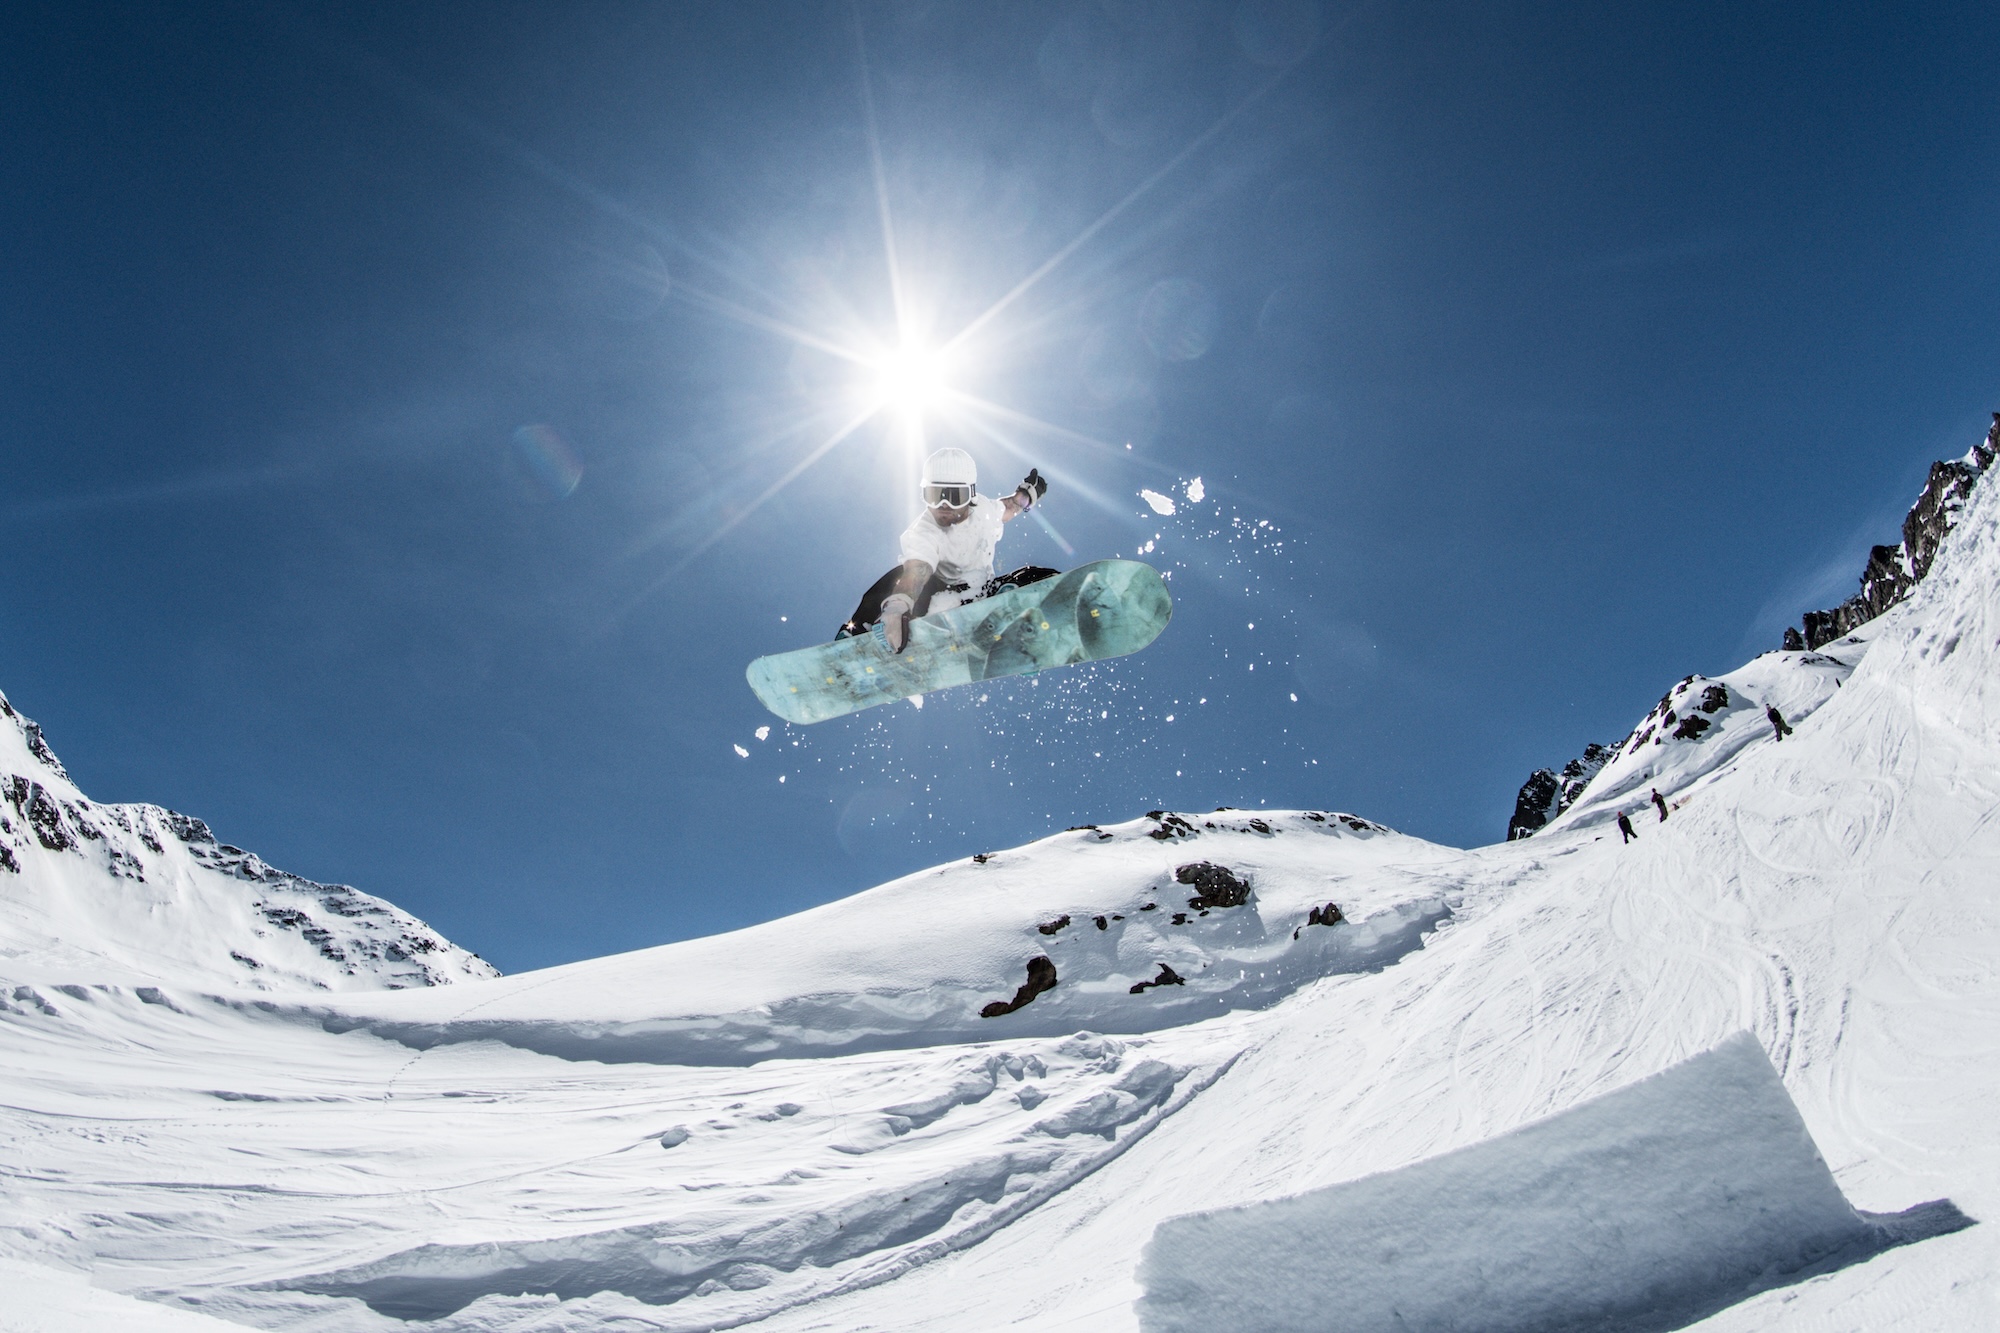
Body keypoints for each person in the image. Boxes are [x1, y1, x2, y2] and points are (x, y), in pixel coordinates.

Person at [840, 448, 1056, 652]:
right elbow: (917, 569)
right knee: (895, 577)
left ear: (971, 495)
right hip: (938, 599)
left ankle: (1020, 617)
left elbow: (1010, 507)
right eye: (934, 495)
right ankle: (858, 633)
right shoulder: (924, 530)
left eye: (955, 497)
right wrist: (897, 606)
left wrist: (1029, 494)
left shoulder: (985, 510)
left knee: (1036, 576)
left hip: (984, 596)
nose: (943, 505)